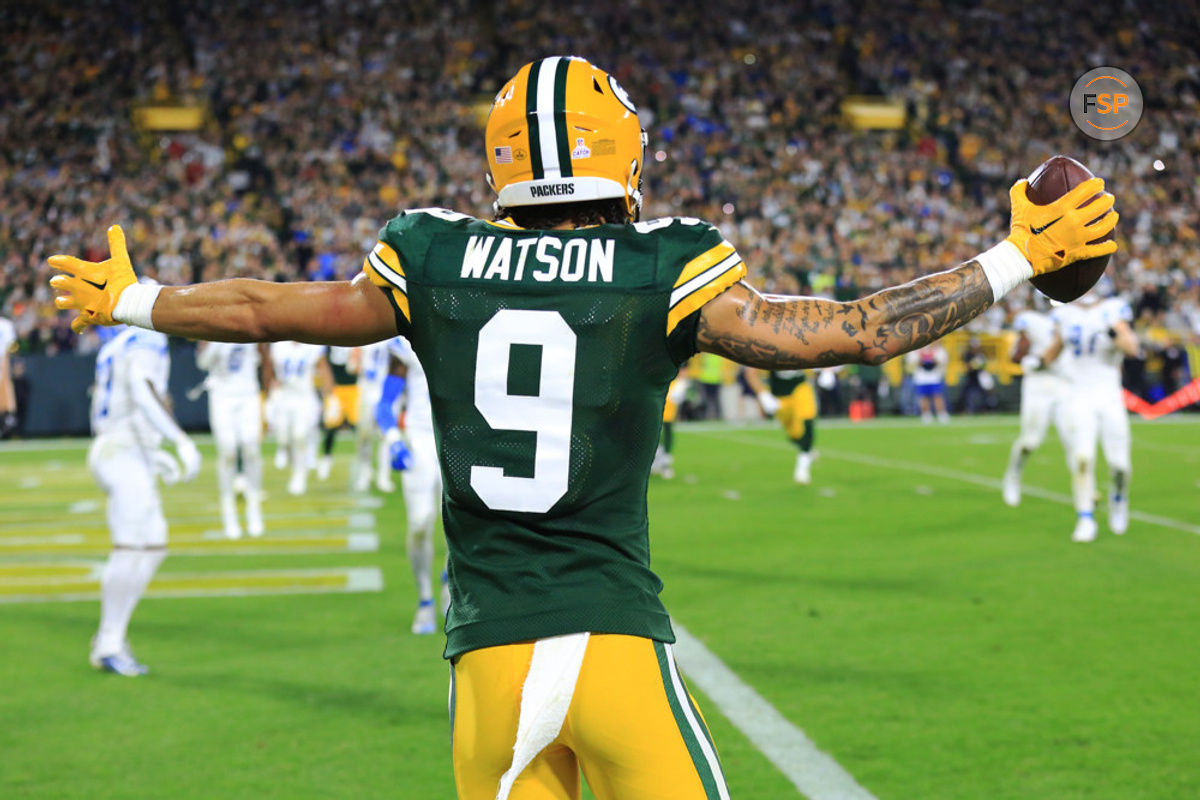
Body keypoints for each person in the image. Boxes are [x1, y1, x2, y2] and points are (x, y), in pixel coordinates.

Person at [50, 56, 1116, 799]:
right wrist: (1016, 258)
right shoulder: (664, 260)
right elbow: (843, 333)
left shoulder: (433, 252)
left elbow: (265, 306)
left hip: (488, 662)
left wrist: (137, 298)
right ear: (623, 151)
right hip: (609, 639)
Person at [86, 321, 201, 675]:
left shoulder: (118, 342)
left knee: (154, 544)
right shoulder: (144, 335)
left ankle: (112, 637)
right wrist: (178, 438)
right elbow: (140, 388)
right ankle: (108, 642)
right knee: (130, 547)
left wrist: (152, 452)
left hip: (126, 449)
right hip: (121, 451)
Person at [1044, 291, 1140, 542]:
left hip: (1108, 395)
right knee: (1082, 458)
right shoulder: (1064, 314)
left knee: (1120, 466)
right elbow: (1054, 350)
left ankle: (1119, 497)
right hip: (1078, 395)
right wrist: (1037, 361)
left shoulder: (1113, 310)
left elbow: (1132, 348)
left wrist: (1111, 332)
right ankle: (1085, 517)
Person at [376, 335, 448, 633]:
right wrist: (394, 441)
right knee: (420, 522)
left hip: (456, 442)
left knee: (461, 525)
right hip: (419, 440)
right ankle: (425, 598)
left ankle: (448, 581)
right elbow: (384, 404)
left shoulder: (467, 331)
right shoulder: (407, 343)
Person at [196, 341, 267, 538]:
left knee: (251, 448)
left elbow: (263, 353)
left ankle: (254, 508)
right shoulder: (212, 322)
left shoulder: (249, 316)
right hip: (222, 394)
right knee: (227, 451)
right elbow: (202, 362)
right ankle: (229, 513)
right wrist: (215, 342)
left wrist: (270, 390)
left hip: (248, 393)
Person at [1001, 304, 1068, 507]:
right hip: (1039, 383)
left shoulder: (1074, 315)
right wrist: (1031, 358)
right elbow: (1018, 352)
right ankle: (1013, 476)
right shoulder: (1030, 319)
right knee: (1030, 441)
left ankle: (1086, 493)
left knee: (1076, 439)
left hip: (1066, 382)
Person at [268, 341, 332, 496]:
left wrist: (331, 396)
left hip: (304, 398)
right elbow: (270, 369)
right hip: (284, 396)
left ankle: (299, 475)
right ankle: (292, 462)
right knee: (284, 438)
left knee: (300, 436)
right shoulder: (279, 346)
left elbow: (323, 369)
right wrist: (271, 389)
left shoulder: (312, 345)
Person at [351, 338, 396, 492]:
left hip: (387, 390)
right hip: (367, 390)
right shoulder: (364, 335)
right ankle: (365, 472)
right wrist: (361, 367)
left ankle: (384, 475)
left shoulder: (394, 337)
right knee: (365, 435)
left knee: (386, 435)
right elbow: (352, 366)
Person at [651, 365, 689, 479]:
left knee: (664, 437)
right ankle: (659, 463)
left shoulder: (680, 383)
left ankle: (663, 463)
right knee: (657, 439)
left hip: (667, 415)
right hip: (659, 412)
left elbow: (676, 398)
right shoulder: (674, 381)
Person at [905, 343, 951, 423]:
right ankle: (926, 414)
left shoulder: (939, 349)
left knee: (937, 396)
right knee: (923, 397)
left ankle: (941, 413)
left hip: (935, 376)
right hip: (921, 377)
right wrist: (922, 359)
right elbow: (911, 362)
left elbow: (942, 361)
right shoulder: (915, 350)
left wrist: (932, 359)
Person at [0, 315, 17, 438]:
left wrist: (5, 366)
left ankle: (9, 417)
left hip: (2, 360)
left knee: (5, 385)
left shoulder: (5, 325)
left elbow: (10, 349)